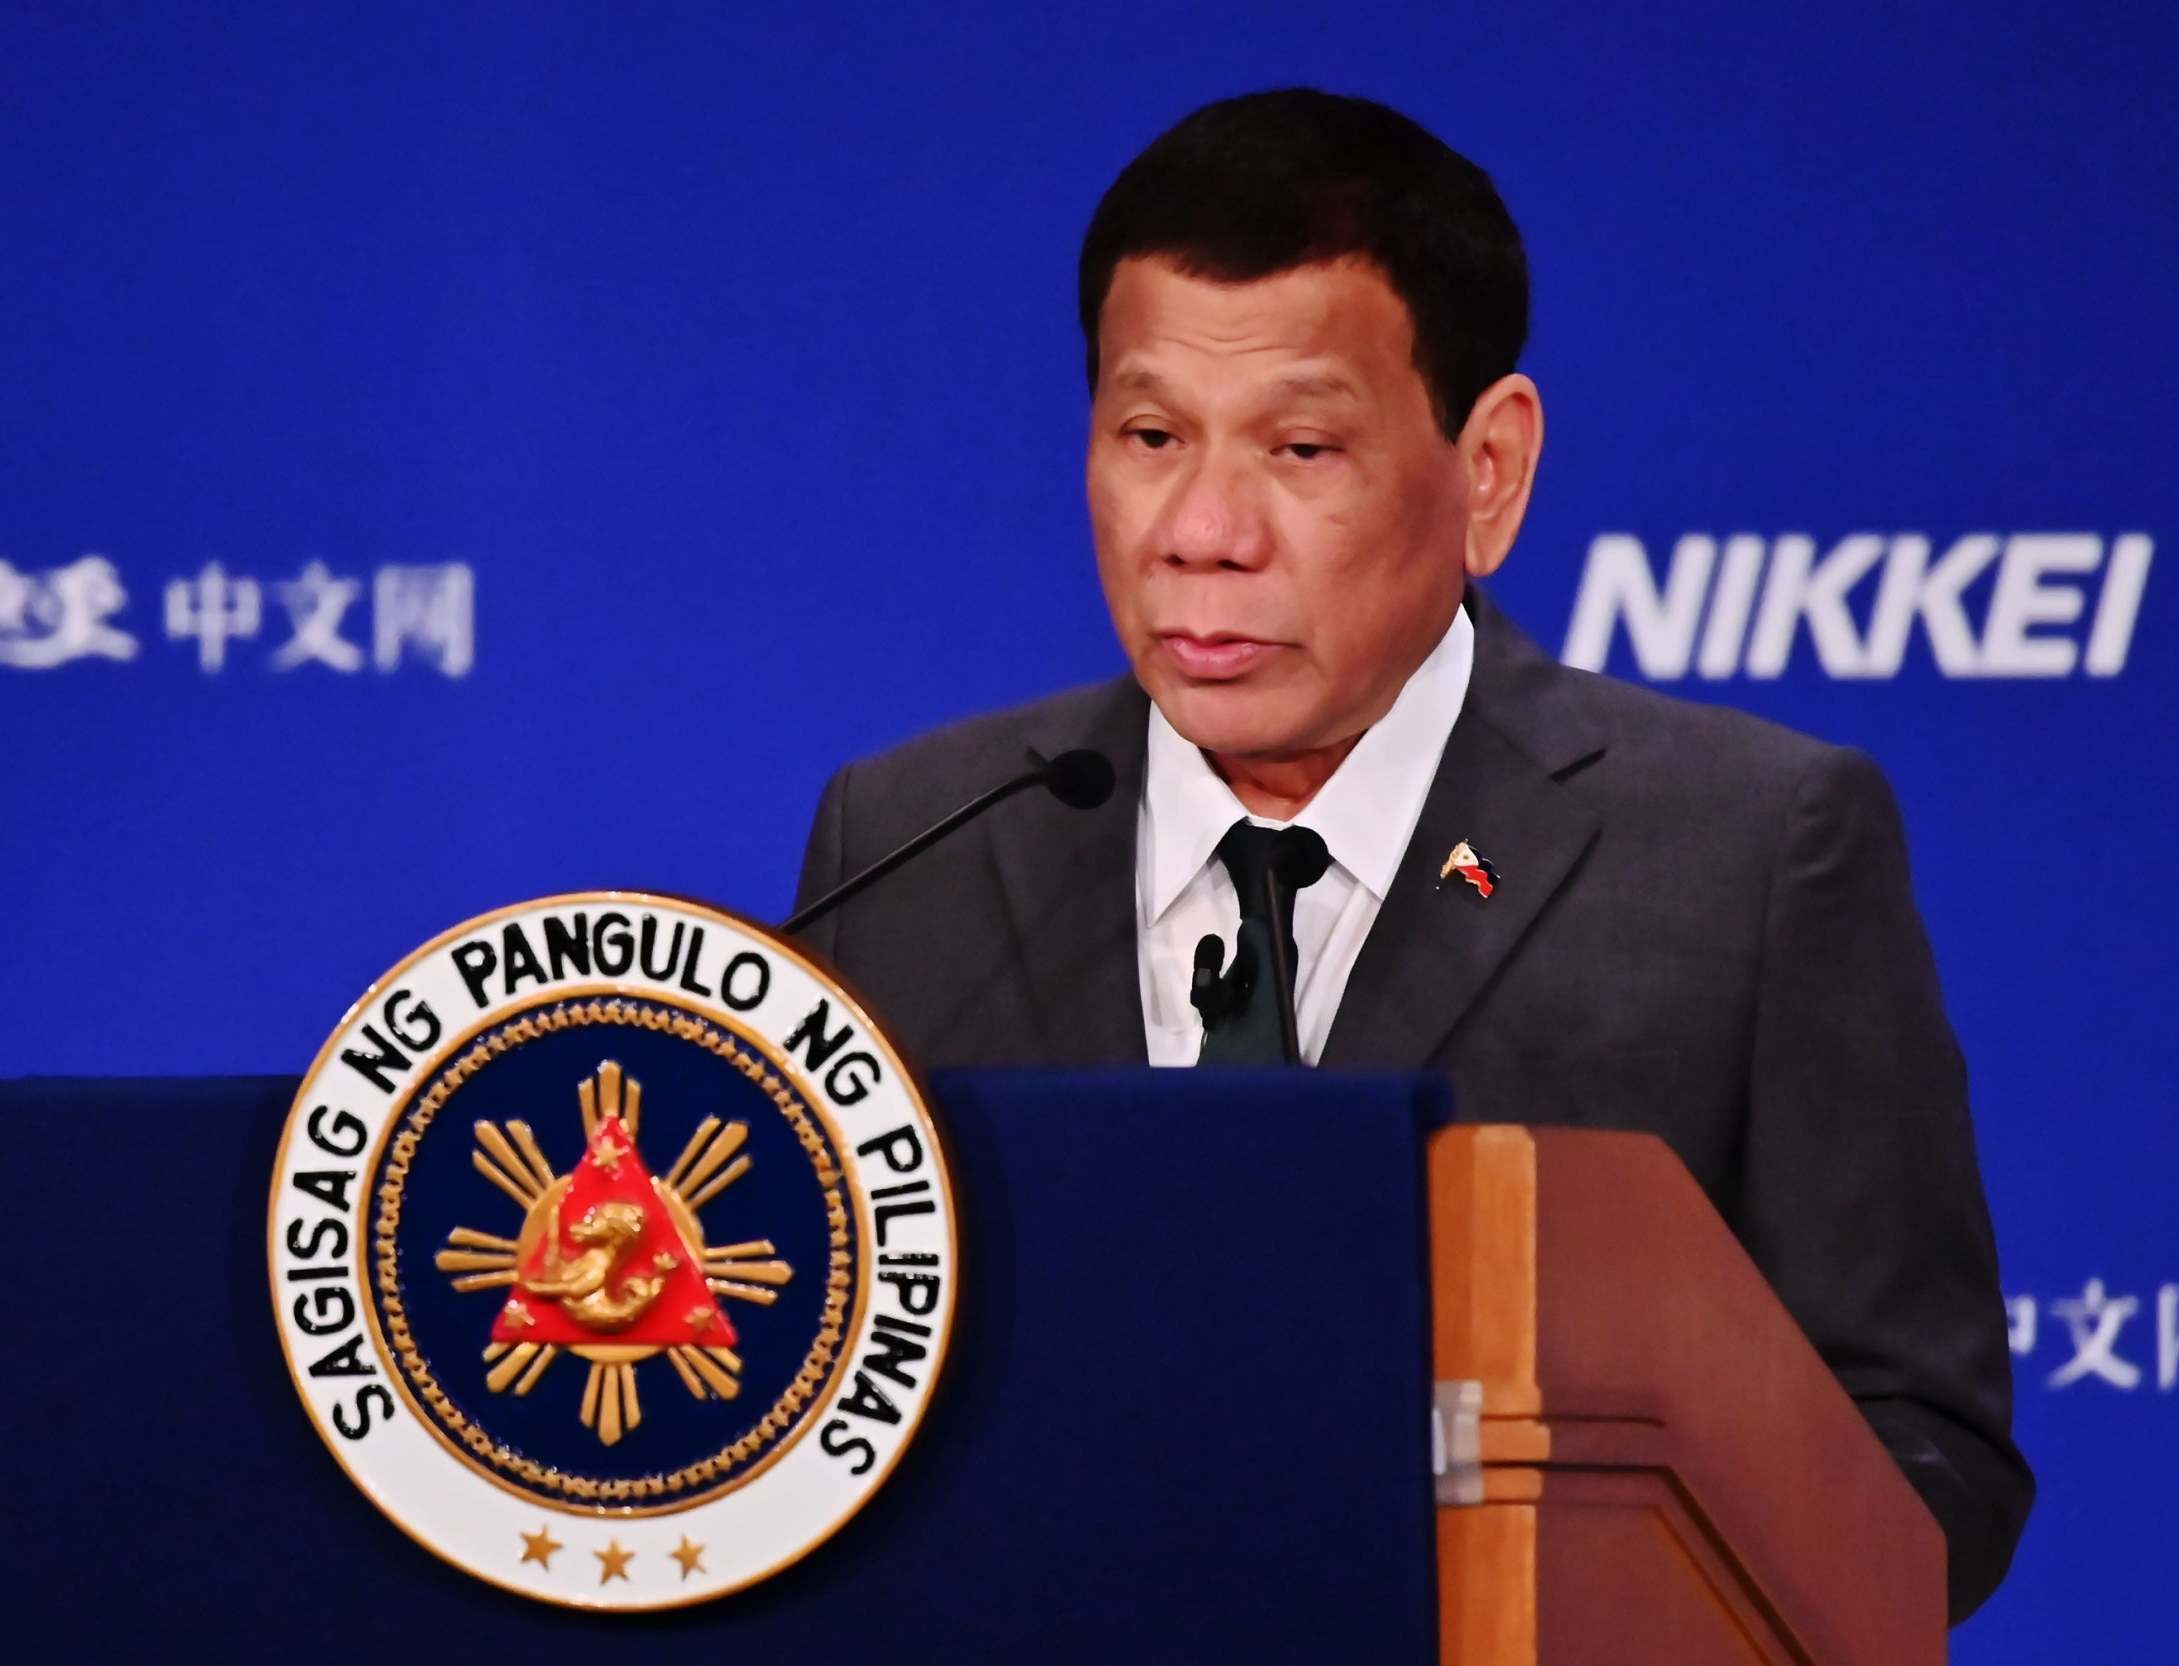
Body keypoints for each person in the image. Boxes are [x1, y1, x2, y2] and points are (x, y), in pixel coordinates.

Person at [793, 87, 2030, 1619]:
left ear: (1489, 468)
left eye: (1301, 446)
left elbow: (1923, 1459)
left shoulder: (1747, 855)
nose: (1200, 529)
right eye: (1150, 435)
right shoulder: (910, 839)